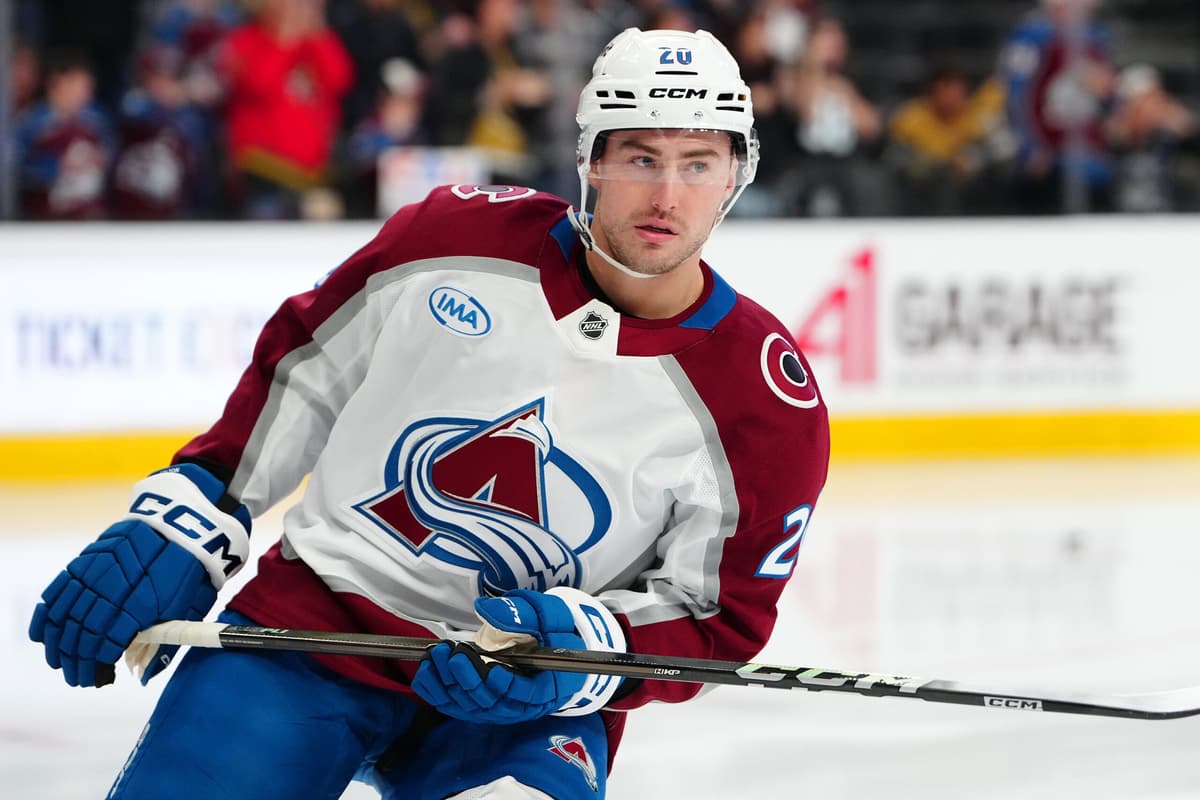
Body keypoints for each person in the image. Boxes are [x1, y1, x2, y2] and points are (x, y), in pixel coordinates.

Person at [29, 28, 829, 800]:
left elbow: (714, 616)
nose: (666, 196)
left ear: (736, 175)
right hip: (312, 627)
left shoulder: (763, 400)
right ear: (589, 158)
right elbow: (306, 368)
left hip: (523, 686)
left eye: (698, 163)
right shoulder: (456, 235)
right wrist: (201, 506)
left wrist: (596, 647)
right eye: (640, 158)